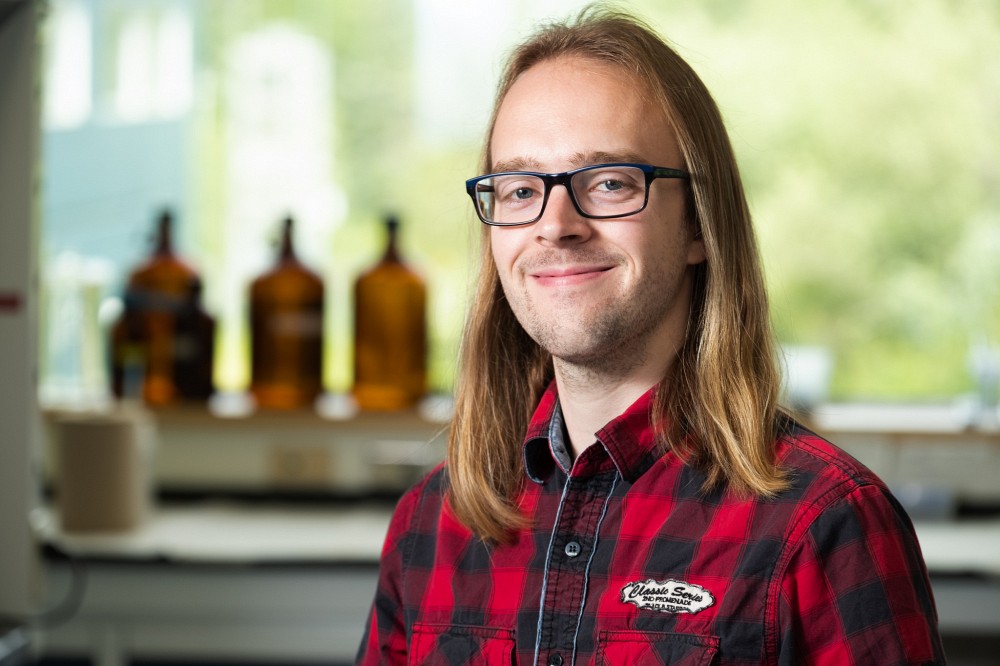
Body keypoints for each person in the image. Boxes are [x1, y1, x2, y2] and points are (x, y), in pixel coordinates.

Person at [356, 6, 945, 665]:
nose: (555, 225)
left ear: (698, 224)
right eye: (520, 190)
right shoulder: (429, 527)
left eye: (609, 182)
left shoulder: (826, 525)